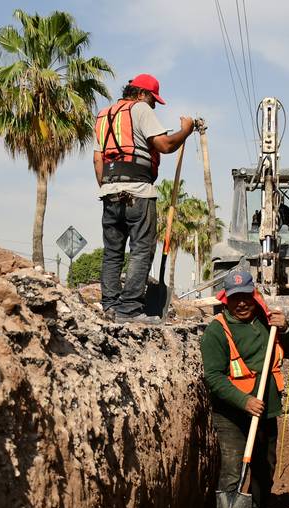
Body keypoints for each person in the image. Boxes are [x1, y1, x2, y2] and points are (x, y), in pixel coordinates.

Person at [200, 271, 289, 508]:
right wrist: (244, 401)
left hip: (266, 409)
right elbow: (213, 377)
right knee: (233, 469)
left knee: (264, 465)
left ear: (254, 296)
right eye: (235, 299)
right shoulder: (217, 331)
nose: (241, 303)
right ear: (226, 300)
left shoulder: (268, 323)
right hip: (231, 413)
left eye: (246, 297)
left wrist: (285, 330)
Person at [94, 74, 194, 324]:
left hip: (110, 191)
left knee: (112, 252)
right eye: (153, 100)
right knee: (141, 250)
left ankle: (110, 306)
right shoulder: (139, 109)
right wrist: (186, 130)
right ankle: (129, 310)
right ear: (141, 94)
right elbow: (165, 145)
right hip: (138, 191)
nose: (153, 106)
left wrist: (108, 188)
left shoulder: (103, 115)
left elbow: (98, 160)